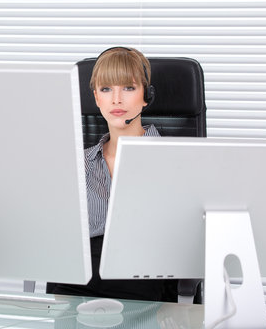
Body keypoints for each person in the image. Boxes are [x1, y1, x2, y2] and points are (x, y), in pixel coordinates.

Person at [47, 47, 175, 301]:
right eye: (106, 89)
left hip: (140, 284)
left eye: (128, 87)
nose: (117, 99)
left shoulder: (172, 161)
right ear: (96, 98)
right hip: (75, 287)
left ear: (146, 96)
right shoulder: (76, 164)